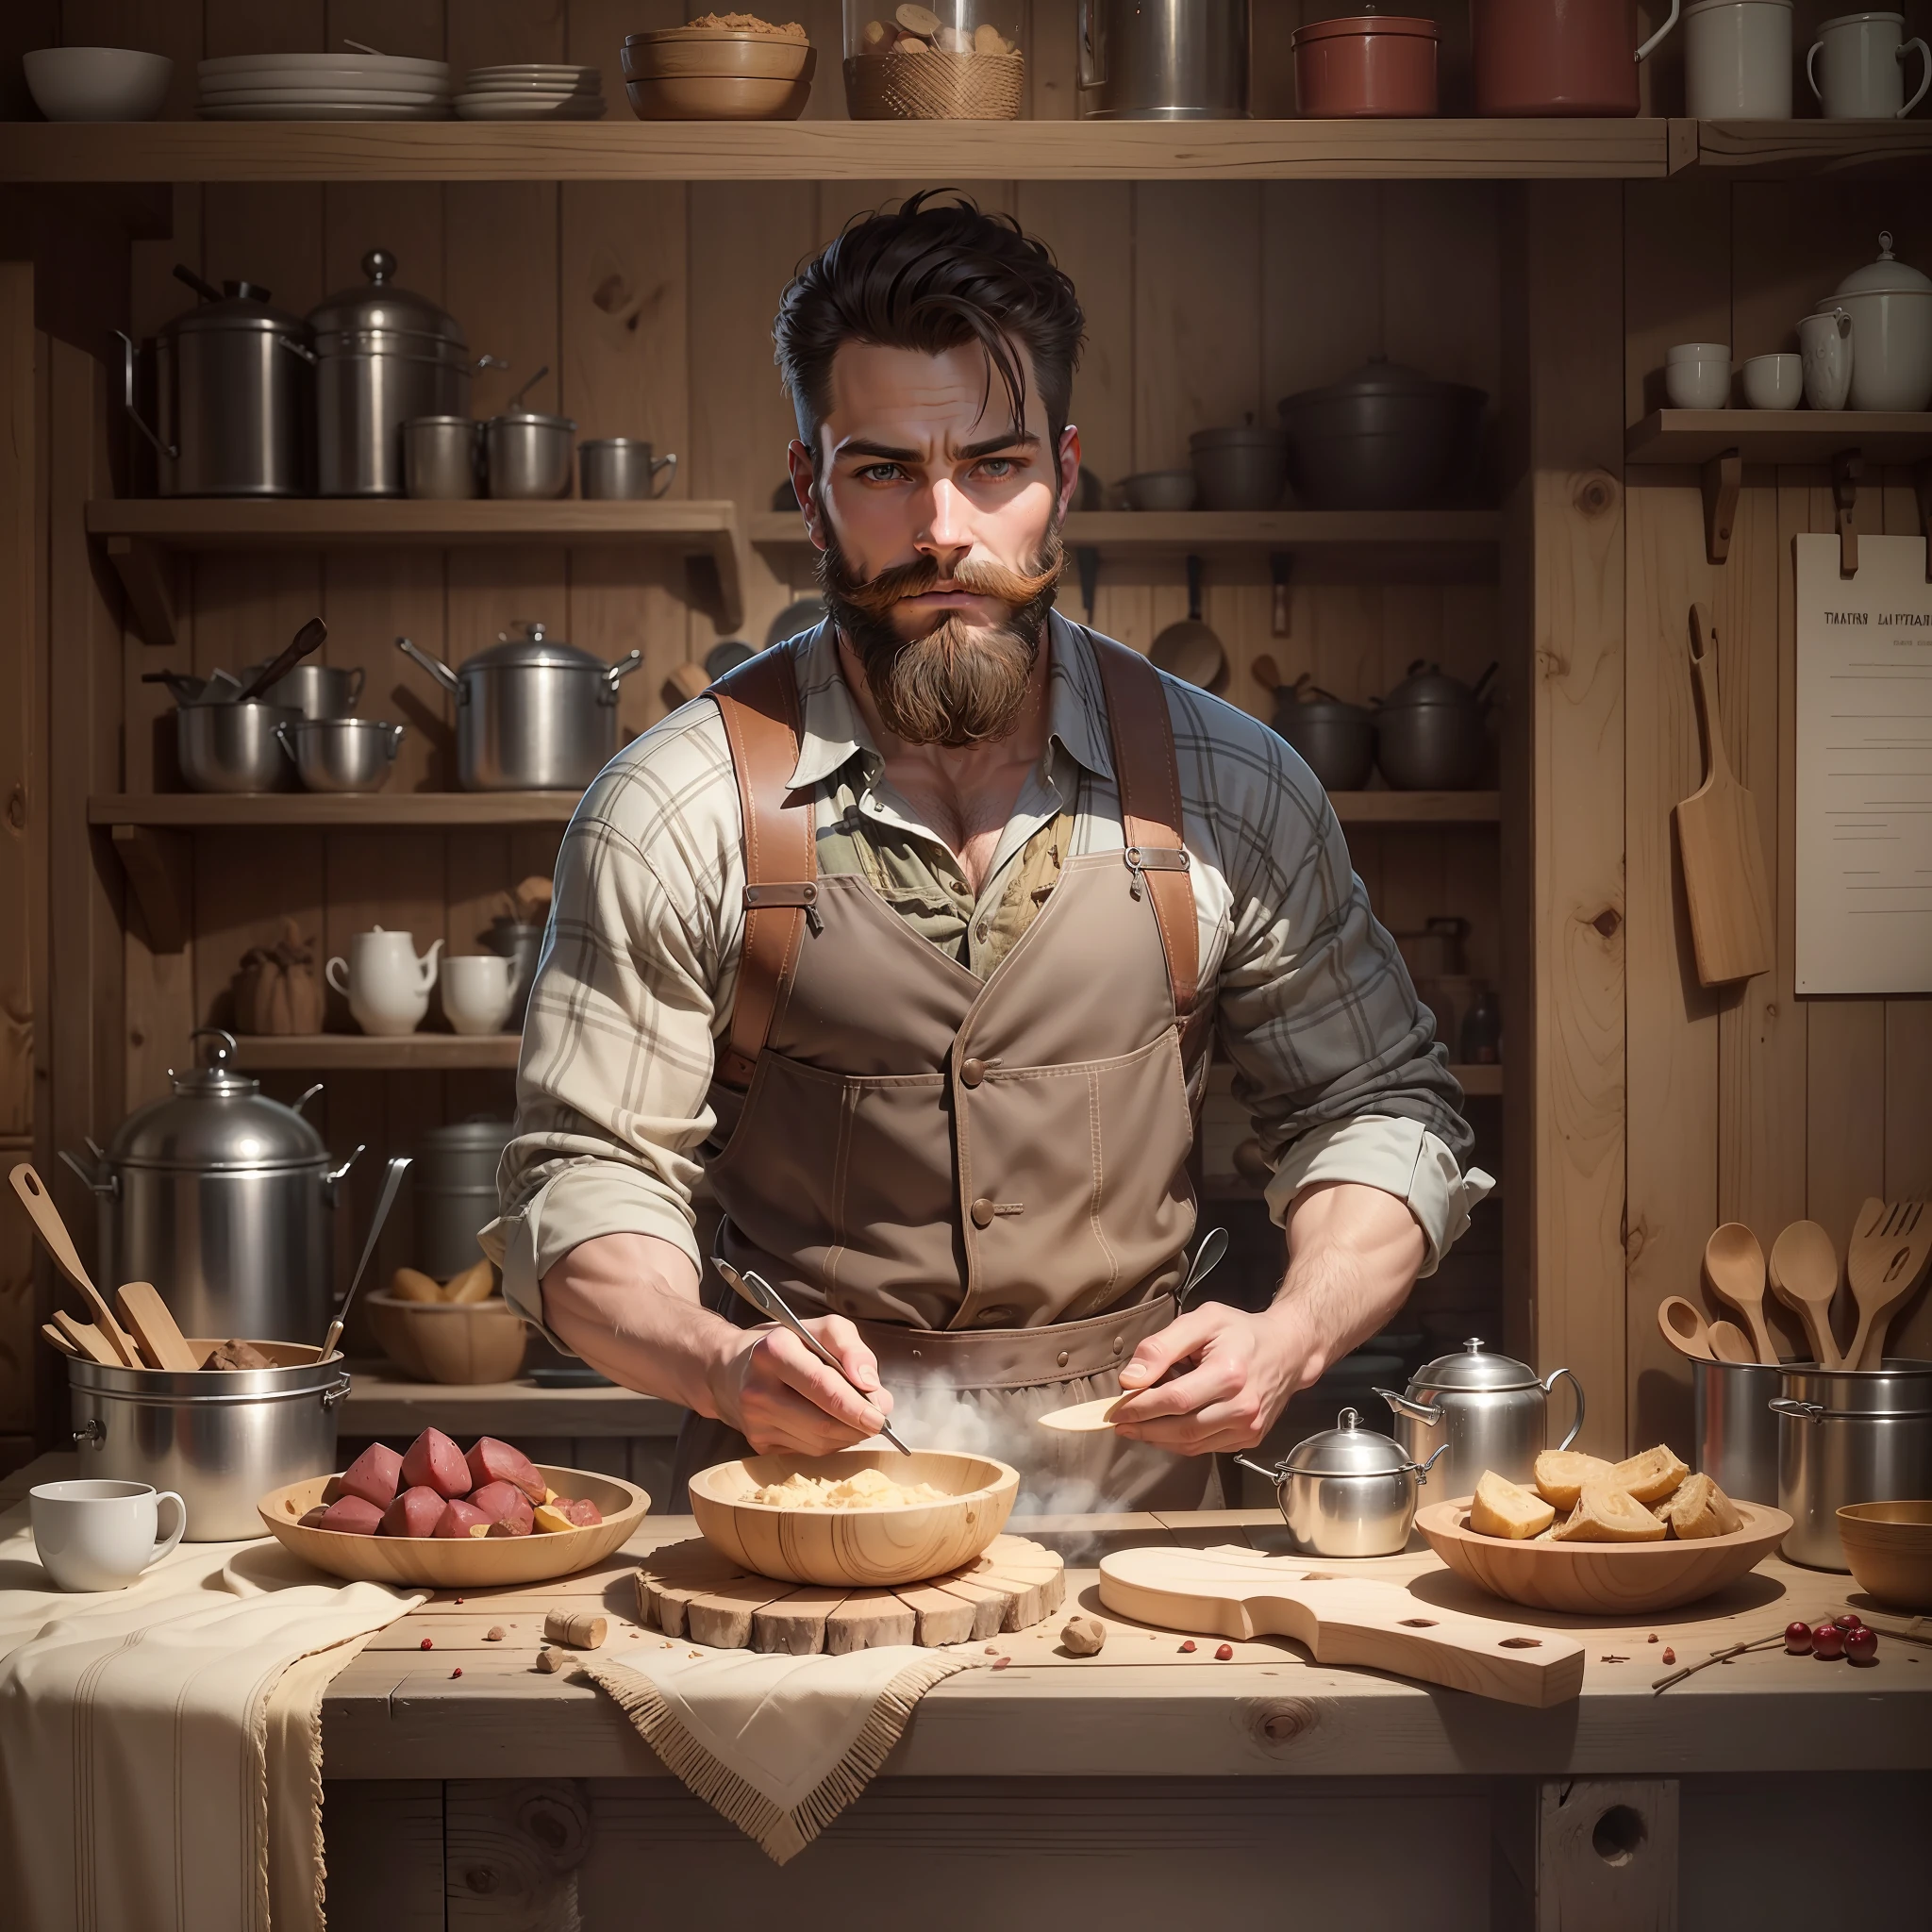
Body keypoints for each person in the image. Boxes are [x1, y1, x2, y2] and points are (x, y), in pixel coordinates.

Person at [482, 192, 1491, 1509]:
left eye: (994, 467)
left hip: (1148, 1532)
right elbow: (586, 1176)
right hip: (799, 1522)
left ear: (1064, 476)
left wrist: (1290, 1331)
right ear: (810, 488)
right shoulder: (671, 808)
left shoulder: (1231, 787)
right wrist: (723, 1365)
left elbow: (1380, 1107)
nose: (941, 529)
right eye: (884, 470)